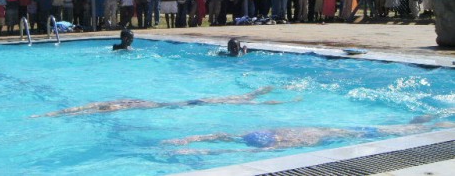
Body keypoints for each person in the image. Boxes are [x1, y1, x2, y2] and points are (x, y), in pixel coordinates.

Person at [163, 121, 455, 151]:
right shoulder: (274, 140)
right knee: (382, 131)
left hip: (323, 134)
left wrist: (192, 142)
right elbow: (225, 138)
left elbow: (224, 138)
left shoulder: (272, 140)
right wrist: (192, 142)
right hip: (324, 133)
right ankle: (429, 124)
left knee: (384, 131)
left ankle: (429, 125)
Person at [32, 86, 279, 117]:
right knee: (212, 101)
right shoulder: (119, 103)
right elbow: (82, 111)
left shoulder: (119, 102)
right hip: (167, 103)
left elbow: (82, 110)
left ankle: (254, 97)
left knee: (211, 101)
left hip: (164, 103)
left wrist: (53, 114)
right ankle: (254, 97)